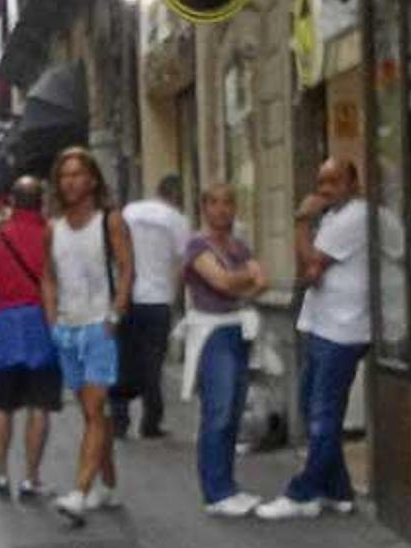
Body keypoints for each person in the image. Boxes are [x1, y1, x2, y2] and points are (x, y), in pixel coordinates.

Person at [257, 158, 370, 520]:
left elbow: (312, 267)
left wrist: (302, 220)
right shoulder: (334, 217)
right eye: (321, 181)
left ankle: (302, 493)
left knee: (322, 415)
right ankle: (338, 491)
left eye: (334, 181)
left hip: (343, 329)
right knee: (311, 407)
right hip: (323, 325)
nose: (324, 189)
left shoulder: (355, 217)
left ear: (353, 183)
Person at [43, 147, 134, 525]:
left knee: (95, 409)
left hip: (99, 327)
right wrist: (52, 320)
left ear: (93, 179)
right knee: (92, 413)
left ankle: (79, 493)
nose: (71, 181)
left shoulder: (109, 221)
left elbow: (128, 268)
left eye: (78, 174)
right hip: (66, 328)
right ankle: (108, 484)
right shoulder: (53, 228)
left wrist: (115, 313)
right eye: (64, 175)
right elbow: (47, 275)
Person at [181, 185, 269, 517]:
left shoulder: (237, 245)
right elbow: (221, 282)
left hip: (236, 328)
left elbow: (262, 282)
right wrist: (245, 277)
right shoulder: (196, 245)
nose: (222, 209)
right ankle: (215, 492)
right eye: (215, 203)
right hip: (212, 333)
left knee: (233, 411)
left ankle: (228, 486)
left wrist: (241, 280)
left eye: (228, 203)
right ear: (204, 208)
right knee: (217, 412)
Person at [0, 176, 62, 499]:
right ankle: (30, 478)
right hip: (42, 325)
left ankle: (0, 475)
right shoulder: (50, 238)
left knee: (3, 404)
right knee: (39, 405)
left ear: (12, 201)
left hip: (5, 327)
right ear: (41, 201)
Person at [110, 174, 192, 438]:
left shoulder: (130, 211)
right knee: (153, 361)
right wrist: (176, 297)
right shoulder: (178, 221)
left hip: (128, 296)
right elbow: (182, 265)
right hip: (158, 299)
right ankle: (150, 421)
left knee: (123, 358)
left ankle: (119, 419)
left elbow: (116, 250)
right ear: (177, 195)